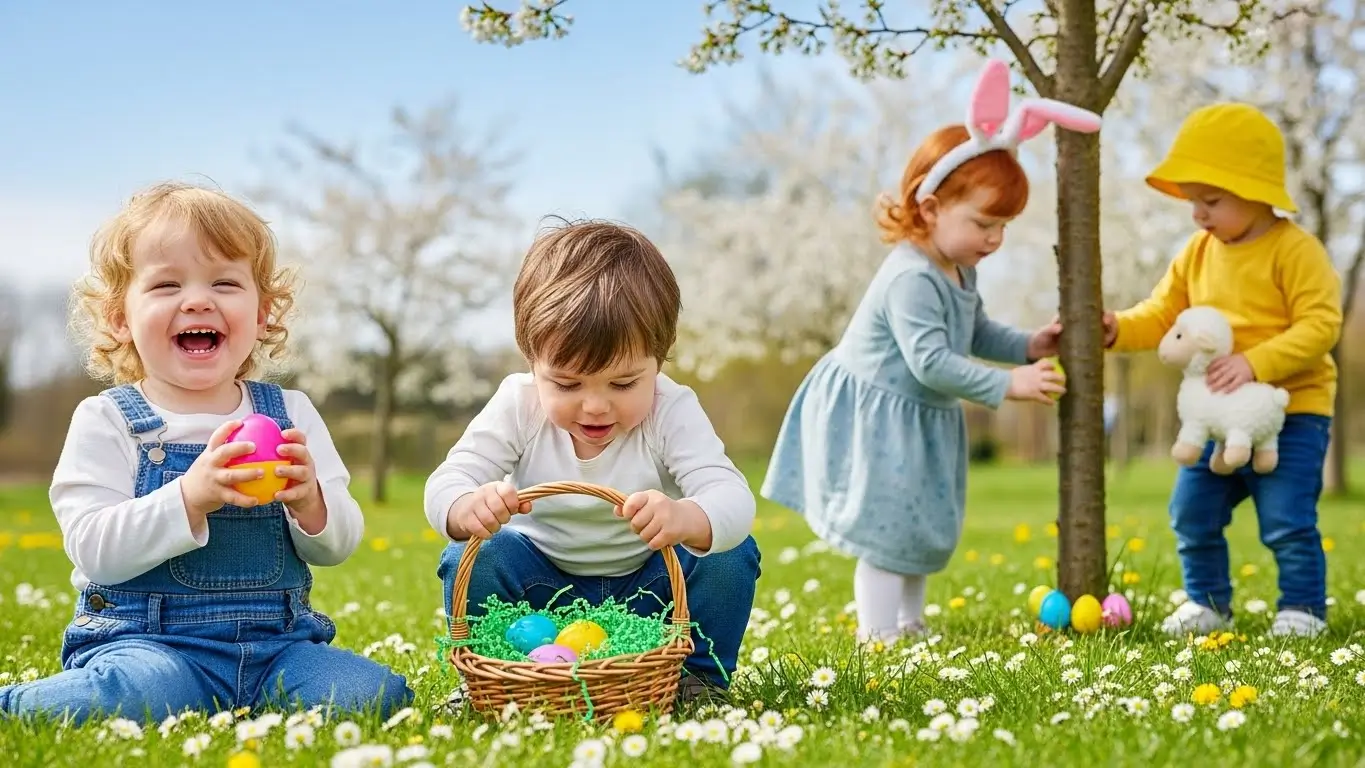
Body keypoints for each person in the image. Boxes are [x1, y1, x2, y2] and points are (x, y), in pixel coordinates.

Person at [0, 182, 412, 723]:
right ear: (120, 318)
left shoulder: (291, 414)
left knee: (373, 695)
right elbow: (94, 549)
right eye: (166, 284)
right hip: (152, 647)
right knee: (138, 695)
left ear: (263, 314)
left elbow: (339, 544)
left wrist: (310, 501)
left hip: (277, 650)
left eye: (224, 282)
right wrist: (189, 497)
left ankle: (248, 694)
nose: (198, 300)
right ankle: (17, 705)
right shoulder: (108, 420)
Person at [761, 59, 1102, 646]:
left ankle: (910, 623)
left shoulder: (959, 268)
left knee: (917, 527)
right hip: (879, 414)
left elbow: (973, 332)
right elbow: (931, 361)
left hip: (919, 416)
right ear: (930, 207)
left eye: (1004, 226)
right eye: (984, 223)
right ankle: (878, 632)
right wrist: (1008, 386)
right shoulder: (911, 277)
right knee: (887, 531)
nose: (995, 239)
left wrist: (1027, 346)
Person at [425, 218, 760, 701]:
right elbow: (450, 478)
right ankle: (489, 676)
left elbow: (731, 496)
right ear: (532, 361)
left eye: (623, 383)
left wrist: (686, 517)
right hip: (541, 594)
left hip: (650, 593)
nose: (596, 406)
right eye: (567, 384)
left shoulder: (671, 409)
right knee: (472, 554)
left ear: (659, 360)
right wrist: (464, 506)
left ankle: (698, 680)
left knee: (730, 552)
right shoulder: (518, 404)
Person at [1101, 102, 1342, 638]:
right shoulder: (1197, 253)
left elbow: (1321, 324)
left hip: (1292, 414)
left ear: (1254, 191)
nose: (1197, 214)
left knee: (1286, 519)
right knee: (1191, 512)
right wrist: (1117, 328)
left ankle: (1303, 609)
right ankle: (1206, 602)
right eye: (1192, 201)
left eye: (1210, 201)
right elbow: (1163, 315)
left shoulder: (1295, 251)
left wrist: (1256, 362)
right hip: (1215, 419)